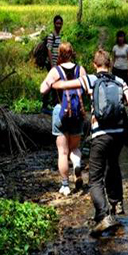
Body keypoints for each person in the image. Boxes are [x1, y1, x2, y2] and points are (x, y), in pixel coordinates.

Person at [53, 49, 128, 237]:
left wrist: (55, 82)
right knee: (113, 165)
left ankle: (103, 215)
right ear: (110, 63)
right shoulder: (120, 81)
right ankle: (116, 204)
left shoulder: (91, 79)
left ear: (95, 64)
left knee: (95, 178)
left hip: (100, 135)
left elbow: (66, 85)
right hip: (118, 135)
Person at [40, 42, 86, 196]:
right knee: (74, 148)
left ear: (59, 54)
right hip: (77, 113)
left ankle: (65, 185)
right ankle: (77, 163)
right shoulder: (81, 70)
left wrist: (52, 82)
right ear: (72, 53)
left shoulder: (55, 71)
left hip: (60, 111)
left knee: (62, 152)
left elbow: (43, 90)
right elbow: (87, 89)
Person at [33, 15, 64, 114]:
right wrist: (52, 65)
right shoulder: (52, 36)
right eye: (57, 23)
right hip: (51, 64)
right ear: (54, 24)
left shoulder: (59, 36)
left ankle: (53, 104)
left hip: (56, 64)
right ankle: (45, 106)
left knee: (54, 84)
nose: (58, 25)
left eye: (60, 23)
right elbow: (49, 50)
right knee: (50, 83)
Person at [111, 30, 128, 102]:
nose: (120, 39)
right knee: (117, 84)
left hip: (124, 69)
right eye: (119, 37)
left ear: (124, 38)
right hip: (116, 68)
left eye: (122, 37)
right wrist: (111, 68)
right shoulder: (115, 47)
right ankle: (120, 99)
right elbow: (113, 59)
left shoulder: (127, 47)